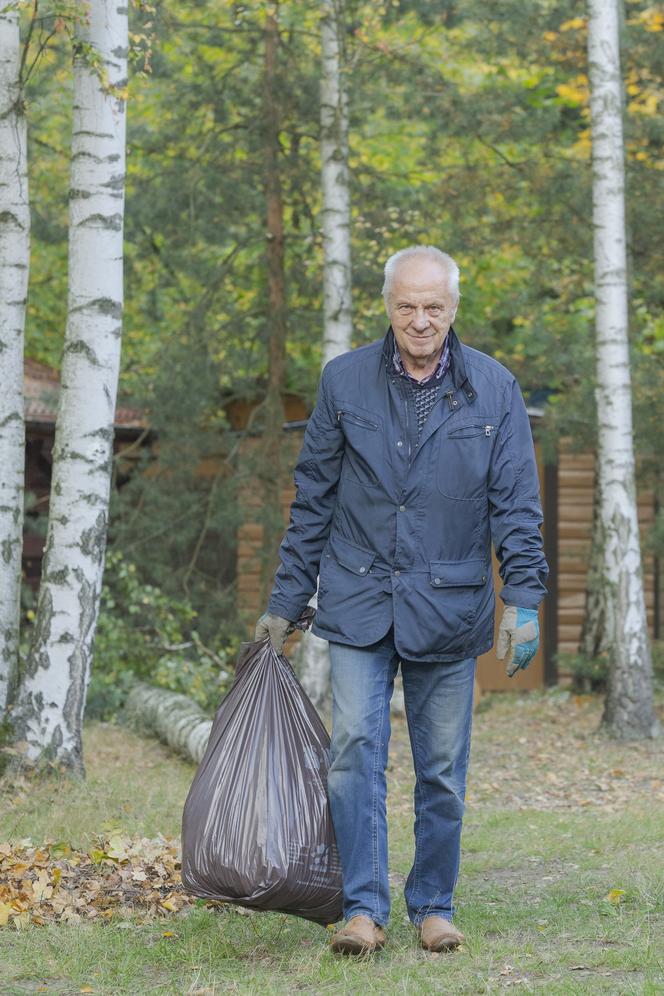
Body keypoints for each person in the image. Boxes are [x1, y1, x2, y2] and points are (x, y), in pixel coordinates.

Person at [255, 246, 548, 955]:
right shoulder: (344, 382)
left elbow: (516, 503)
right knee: (355, 751)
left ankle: (434, 904)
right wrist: (286, 601)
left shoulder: (495, 388)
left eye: (434, 307)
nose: (420, 321)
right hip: (358, 599)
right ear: (387, 306)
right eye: (406, 306)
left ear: (453, 308)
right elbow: (313, 499)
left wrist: (527, 597)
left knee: (441, 770)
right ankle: (363, 908)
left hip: (450, 604)